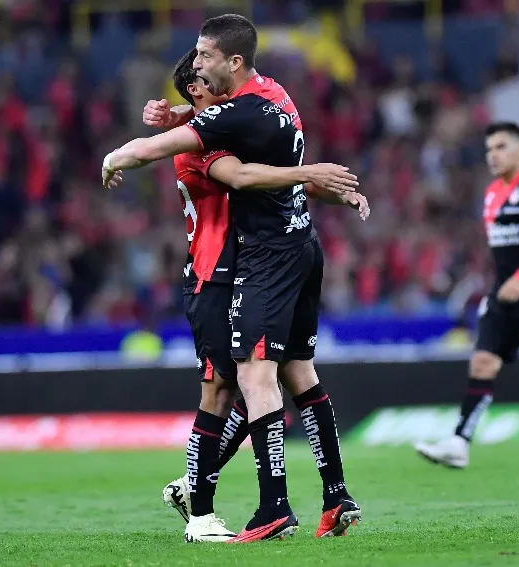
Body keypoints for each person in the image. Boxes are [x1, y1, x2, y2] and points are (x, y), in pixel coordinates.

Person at [103, 14, 362, 542]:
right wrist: (128, 148)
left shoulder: (231, 119)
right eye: (197, 72)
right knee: (235, 387)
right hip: (218, 273)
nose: (202, 71)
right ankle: (206, 505)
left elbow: (255, 166)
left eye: (206, 60)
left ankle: (251, 498)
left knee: (257, 380)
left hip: (255, 261)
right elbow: (240, 173)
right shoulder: (226, 127)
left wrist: (323, 186)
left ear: (233, 64)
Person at [414, 122, 519, 470]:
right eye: (489, 149)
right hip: (502, 290)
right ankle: (459, 443)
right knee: (482, 361)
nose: (493, 155)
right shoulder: (493, 191)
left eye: (501, 147)